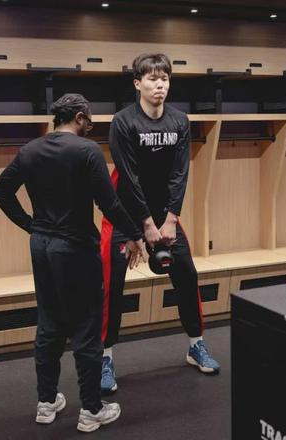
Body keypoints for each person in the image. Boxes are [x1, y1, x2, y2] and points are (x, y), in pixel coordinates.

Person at [0, 93, 144, 433]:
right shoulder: (87, 151)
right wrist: (135, 234)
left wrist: (31, 225)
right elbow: (109, 203)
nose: (90, 126)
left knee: (49, 323)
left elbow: (0, 191)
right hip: (76, 248)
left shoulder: (29, 150)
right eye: (88, 119)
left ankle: (46, 403)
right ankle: (91, 410)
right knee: (87, 327)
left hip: (42, 247)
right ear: (78, 117)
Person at [99, 53, 220, 394]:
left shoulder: (179, 121)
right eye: (152, 79)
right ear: (138, 83)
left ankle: (195, 345)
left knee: (187, 274)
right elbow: (129, 177)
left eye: (164, 78)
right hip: (124, 212)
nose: (160, 85)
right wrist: (144, 227)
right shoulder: (123, 122)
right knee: (110, 283)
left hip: (164, 215)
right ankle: (104, 357)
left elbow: (180, 173)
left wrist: (170, 220)